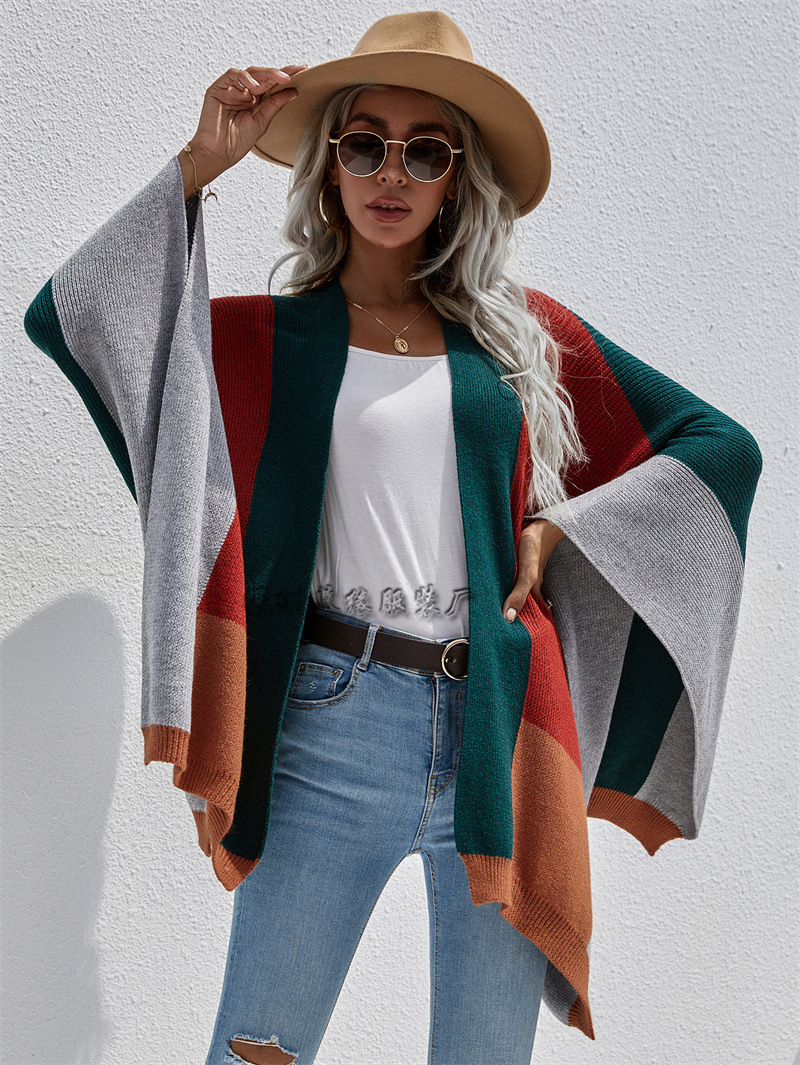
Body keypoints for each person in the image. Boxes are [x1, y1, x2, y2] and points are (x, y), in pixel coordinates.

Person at [23, 11, 763, 1065]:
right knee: (257, 1050)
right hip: (332, 726)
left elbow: (717, 447)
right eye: (364, 142)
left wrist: (563, 529)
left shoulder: (519, 341)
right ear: (329, 166)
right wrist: (198, 165)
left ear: (457, 181)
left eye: (426, 152)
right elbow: (74, 315)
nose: (390, 172)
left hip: (498, 732)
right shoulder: (261, 341)